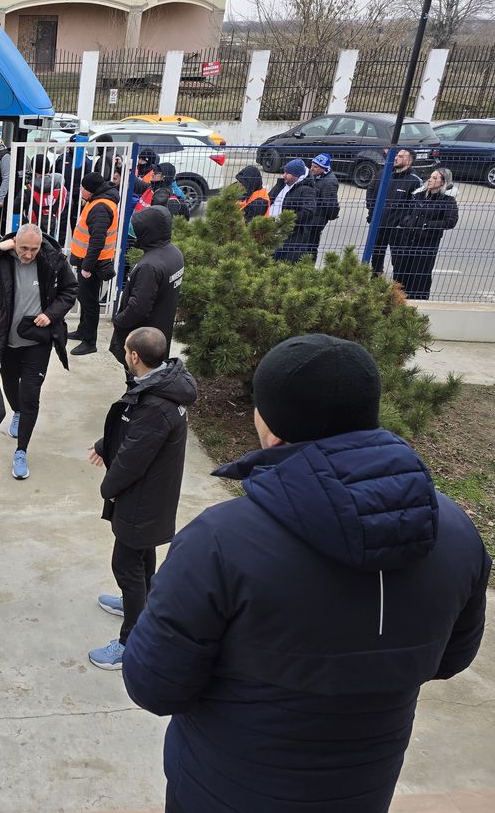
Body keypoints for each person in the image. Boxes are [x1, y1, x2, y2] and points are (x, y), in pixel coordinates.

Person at [122, 334, 490, 813]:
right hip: (363, 790)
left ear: (271, 427)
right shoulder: (457, 533)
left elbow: (153, 684)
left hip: (224, 790)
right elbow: (451, 658)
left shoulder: (220, 542)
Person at [87, 327, 196, 670]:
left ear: (134, 356)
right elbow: (132, 433)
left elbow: (134, 458)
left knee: (126, 564)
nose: (124, 355)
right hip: (151, 497)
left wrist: (109, 487)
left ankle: (130, 642)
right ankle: (140, 605)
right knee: (142, 556)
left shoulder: (156, 405)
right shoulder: (162, 385)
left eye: (125, 351)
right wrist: (106, 445)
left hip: (142, 500)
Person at [0, 222, 77, 480]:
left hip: (37, 341)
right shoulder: (3, 257)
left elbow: (70, 290)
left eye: (33, 249)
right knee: (8, 382)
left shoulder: (53, 259)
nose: (28, 254)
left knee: (31, 396)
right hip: (6, 339)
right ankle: (16, 411)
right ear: (15, 242)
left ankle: (21, 451)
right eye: (23, 248)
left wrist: (51, 315)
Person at [109, 206, 183, 366]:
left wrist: (118, 320)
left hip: (142, 342)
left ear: (148, 231)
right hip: (159, 335)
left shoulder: (150, 266)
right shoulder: (174, 253)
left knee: (139, 382)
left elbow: (138, 308)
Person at [68, 171, 119, 356]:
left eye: (83, 187)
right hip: (89, 260)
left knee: (90, 303)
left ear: (90, 190)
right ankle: (83, 331)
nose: (80, 190)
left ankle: (90, 342)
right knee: (84, 297)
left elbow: (97, 240)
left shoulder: (100, 207)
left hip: (93, 263)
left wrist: (87, 267)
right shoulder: (97, 201)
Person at [394, 167, 459, 300]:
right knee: (401, 273)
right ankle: (397, 301)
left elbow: (450, 222)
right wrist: (408, 222)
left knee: (420, 276)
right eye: (430, 177)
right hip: (407, 242)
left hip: (427, 245)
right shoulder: (417, 196)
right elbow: (404, 213)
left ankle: (418, 303)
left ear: (443, 182)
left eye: (435, 178)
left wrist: (427, 225)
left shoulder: (447, 201)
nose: (430, 180)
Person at [367, 148, 422, 277]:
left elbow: (416, 206)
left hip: (398, 229)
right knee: (376, 255)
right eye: (397, 155)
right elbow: (371, 192)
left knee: (398, 259)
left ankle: (398, 286)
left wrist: (404, 223)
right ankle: (376, 278)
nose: (396, 158)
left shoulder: (414, 181)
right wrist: (372, 213)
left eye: (401, 156)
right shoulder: (384, 174)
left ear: (409, 161)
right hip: (379, 224)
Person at [270, 159, 320, 262]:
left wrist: (286, 220)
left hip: (290, 237)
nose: (284, 175)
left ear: (297, 176)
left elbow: (308, 211)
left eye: (288, 173)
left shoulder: (307, 191)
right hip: (272, 232)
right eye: (284, 172)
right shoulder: (282, 185)